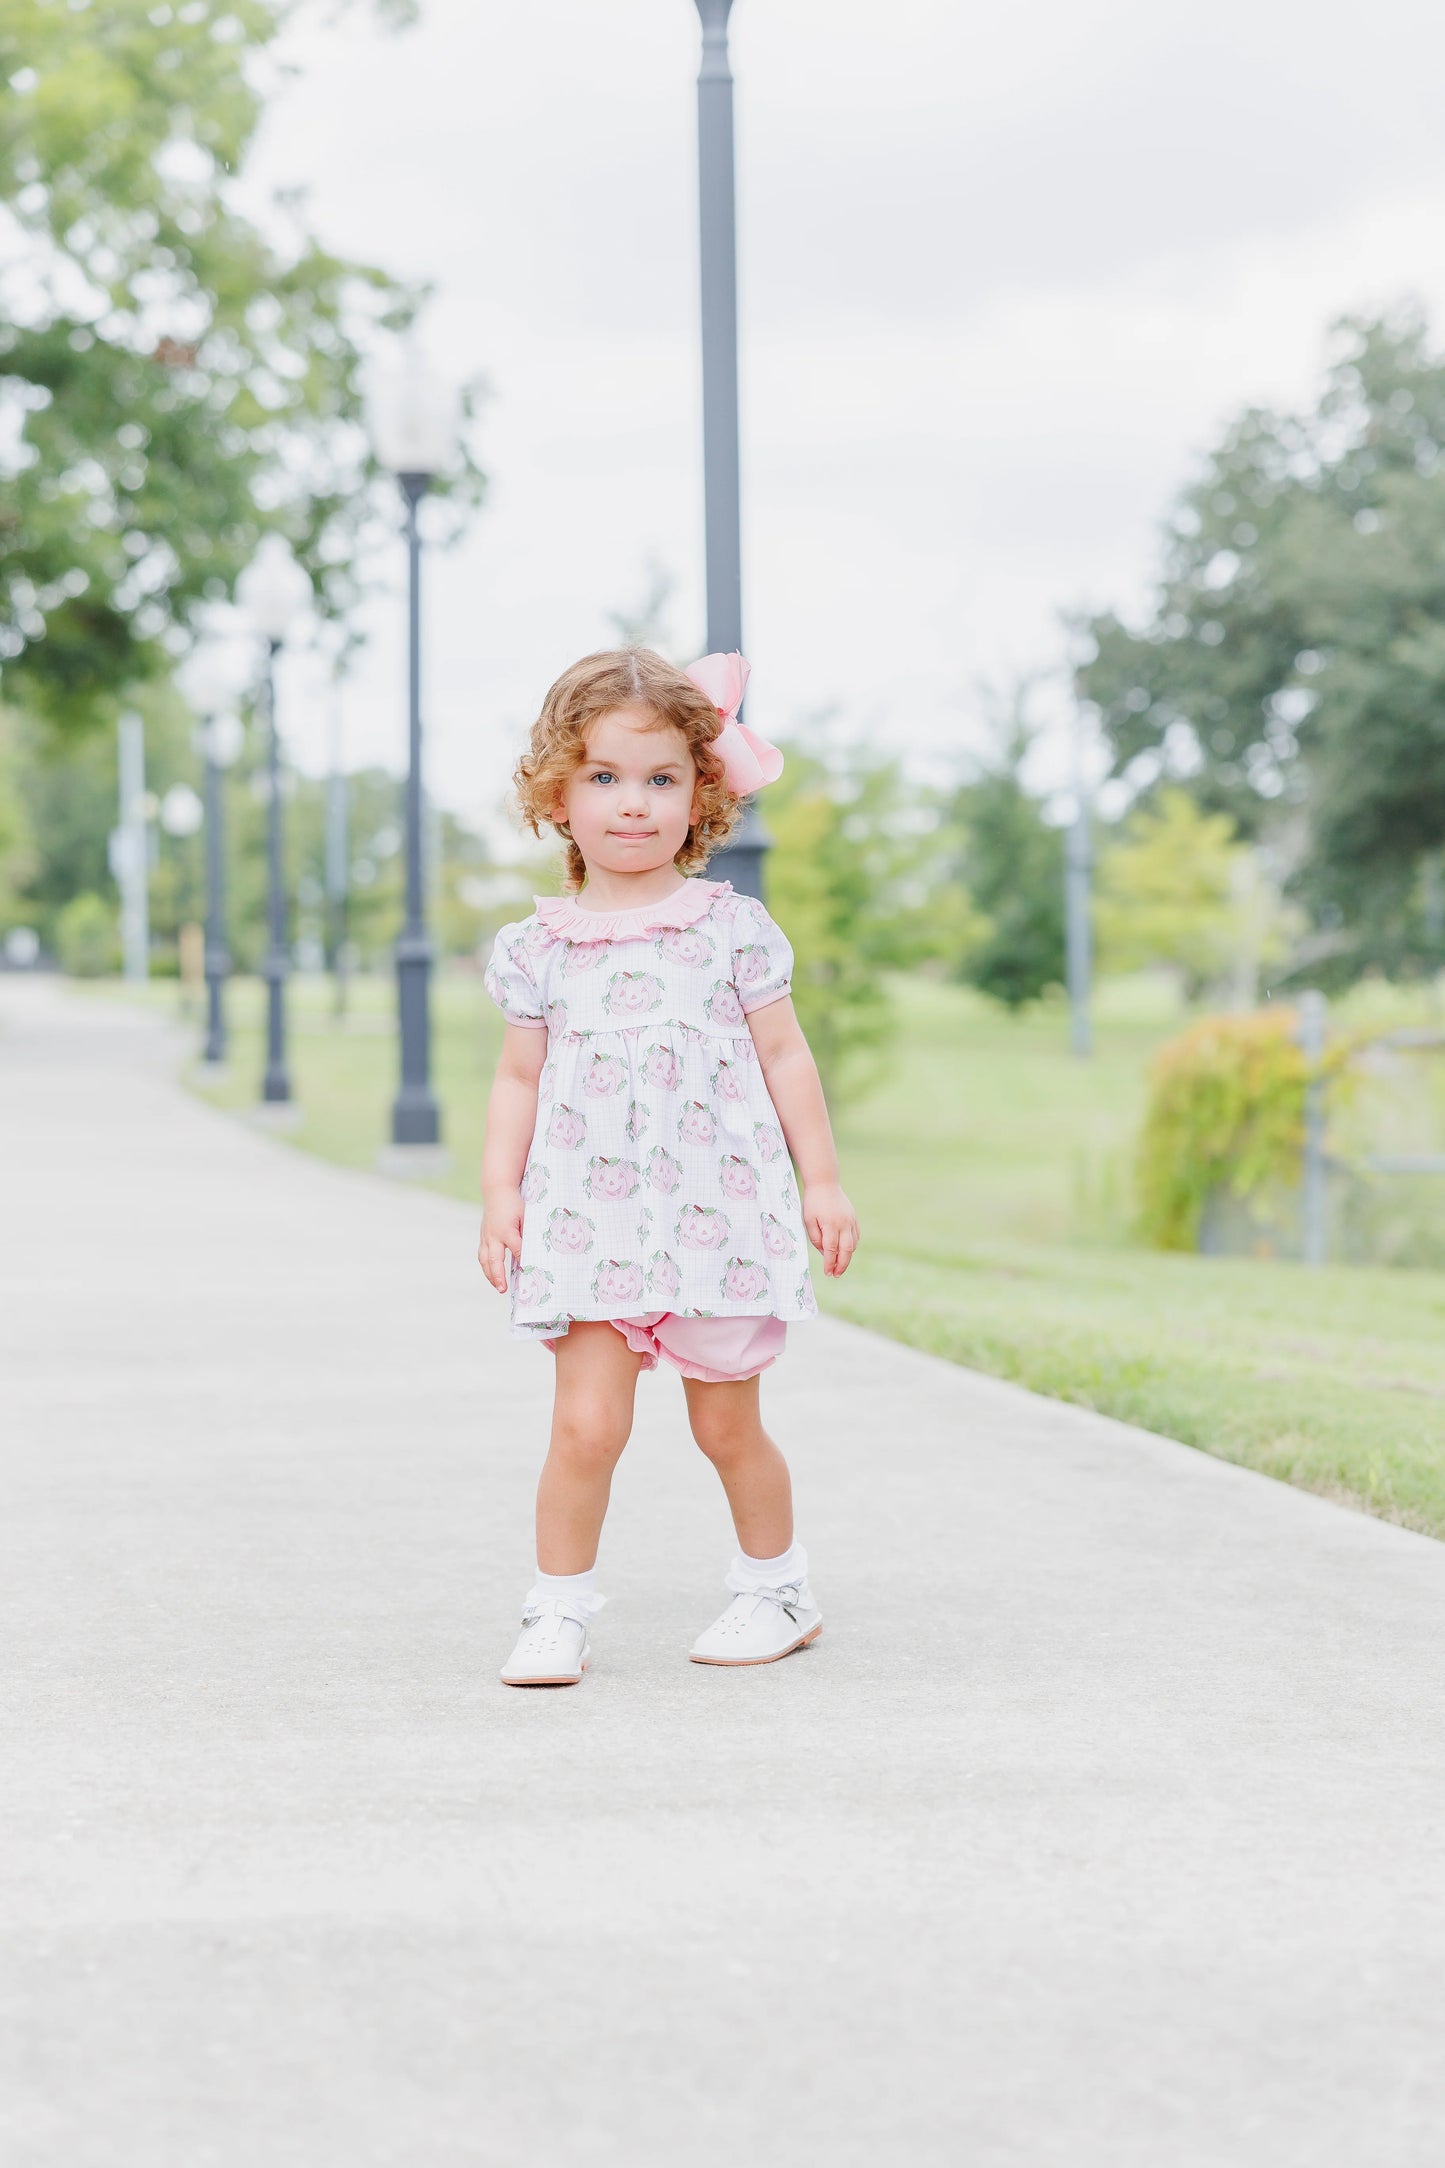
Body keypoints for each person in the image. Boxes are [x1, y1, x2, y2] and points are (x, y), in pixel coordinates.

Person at [479, 647, 858, 1686]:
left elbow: (785, 1056)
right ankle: (556, 1609)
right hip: (586, 1222)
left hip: (713, 1214)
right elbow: (517, 1079)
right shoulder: (538, 948)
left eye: (659, 779)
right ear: (557, 789)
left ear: (701, 793)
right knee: (585, 1423)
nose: (633, 804)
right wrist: (500, 1195)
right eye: (604, 776)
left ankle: (775, 1586)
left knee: (725, 1420)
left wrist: (819, 1179)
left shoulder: (727, 929)